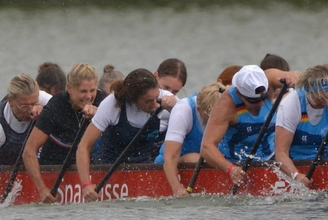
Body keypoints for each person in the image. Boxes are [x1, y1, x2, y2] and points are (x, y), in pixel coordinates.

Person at [76, 69, 173, 199]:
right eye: (148, 101)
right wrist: (86, 185)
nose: (155, 104)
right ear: (133, 99)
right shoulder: (112, 105)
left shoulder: (165, 99)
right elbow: (83, 147)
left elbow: (189, 120)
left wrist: (174, 108)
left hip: (144, 168)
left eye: (156, 98)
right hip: (108, 170)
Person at [197, 65, 291, 188]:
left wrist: (294, 79)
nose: (261, 103)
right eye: (254, 101)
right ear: (239, 94)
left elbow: (298, 77)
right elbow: (206, 147)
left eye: (264, 97)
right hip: (236, 162)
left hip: (270, 159)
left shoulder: (270, 80)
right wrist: (230, 169)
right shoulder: (226, 104)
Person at [23, 62, 105, 203]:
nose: (89, 96)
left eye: (92, 90)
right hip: (53, 169)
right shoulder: (55, 107)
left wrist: (100, 116)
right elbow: (29, 151)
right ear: (69, 89)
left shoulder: (103, 101)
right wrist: (42, 189)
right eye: (83, 91)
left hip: (89, 168)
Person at [0, 74, 51, 207]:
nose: (31, 110)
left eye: (34, 104)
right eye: (24, 106)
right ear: (10, 101)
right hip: (4, 165)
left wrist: (46, 113)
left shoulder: (44, 100)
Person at [273, 64, 328, 188]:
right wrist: (296, 175)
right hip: (300, 160)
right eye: (320, 99)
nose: (326, 103)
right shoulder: (290, 104)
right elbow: (280, 153)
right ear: (309, 92)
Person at [158, 81, 226, 197]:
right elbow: (170, 157)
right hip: (170, 167)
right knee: (195, 158)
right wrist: (178, 189)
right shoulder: (183, 110)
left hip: (211, 165)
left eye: (221, 117)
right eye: (212, 117)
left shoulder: (229, 105)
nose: (217, 121)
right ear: (199, 110)